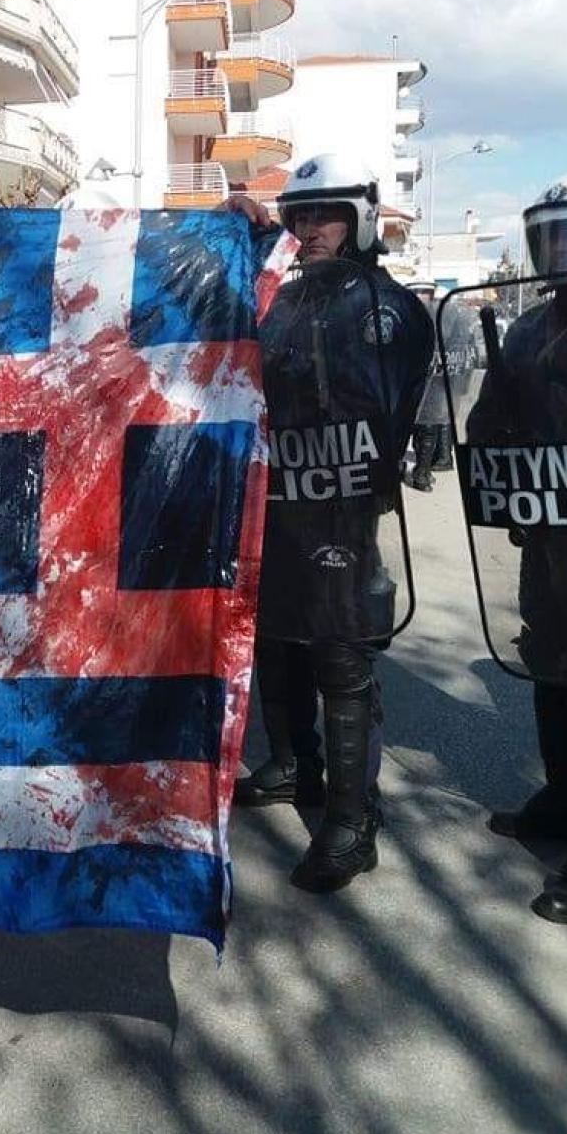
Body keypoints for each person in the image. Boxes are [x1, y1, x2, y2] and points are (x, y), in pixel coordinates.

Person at [230, 155, 434, 891]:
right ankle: (293, 763)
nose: (312, 228)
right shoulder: (277, 298)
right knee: (274, 639)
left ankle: (352, 819)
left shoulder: (387, 306)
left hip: (341, 509)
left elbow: (390, 405)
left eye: (329, 215)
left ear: (362, 220)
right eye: (301, 215)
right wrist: (242, 241)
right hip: (276, 500)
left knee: (340, 654)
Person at [467, 176, 567, 925]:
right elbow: (488, 423)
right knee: (550, 659)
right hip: (548, 535)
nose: (563, 249)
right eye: (553, 236)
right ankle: (565, 796)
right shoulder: (526, 329)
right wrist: (498, 448)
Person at [403, 281, 476, 491]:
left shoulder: (425, 315)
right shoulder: (451, 315)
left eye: (423, 292)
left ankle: (421, 473)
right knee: (430, 424)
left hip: (429, 378)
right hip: (441, 377)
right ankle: (424, 472)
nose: (421, 296)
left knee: (424, 425)